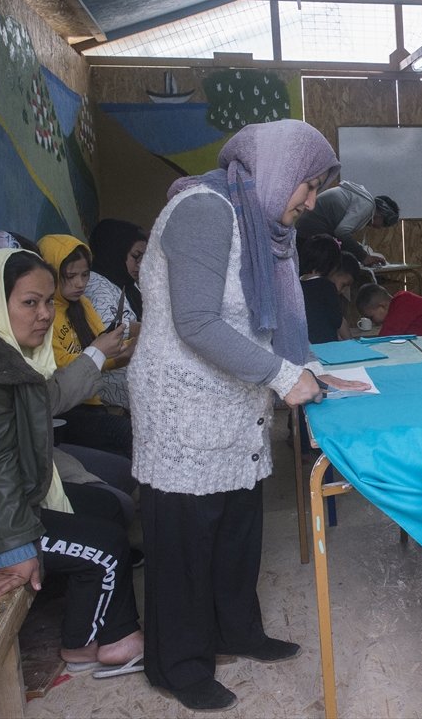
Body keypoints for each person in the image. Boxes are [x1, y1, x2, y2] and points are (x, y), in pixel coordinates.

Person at [129, 119, 368, 712]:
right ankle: (179, 665)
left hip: (236, 406)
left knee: (235, 528)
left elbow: (266, 321)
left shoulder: (262, 225)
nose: (309, 202)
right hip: (184, 409)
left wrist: (308, 366)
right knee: (185, 541)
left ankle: (237, 631)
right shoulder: (204, 211)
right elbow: (197, 322)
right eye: (308, 186)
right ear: (278, 170)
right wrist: (285, 377)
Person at [0, 249, 144, 675]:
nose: (44, 314)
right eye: (29, 302)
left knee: (104, 506)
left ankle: (101, 626)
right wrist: (14, 548)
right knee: (105, 548)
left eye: (47, 302)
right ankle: (91, 644)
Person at [38, 235, 134, 455]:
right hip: (65, 410)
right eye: (70, 276)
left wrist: (131, 347)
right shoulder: (45, 314)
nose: (80, 284)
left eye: (85, 275)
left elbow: (103, 346)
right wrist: (106, 353)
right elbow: (60, 364)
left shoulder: (83, 305)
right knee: (127, 434)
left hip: (91, 401)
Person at [86, 219, 148, 410]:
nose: (140, 265)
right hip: (114, 385)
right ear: (115, 251)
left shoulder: (128, 283)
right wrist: (149, 329)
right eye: (136, 257)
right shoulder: (96, 285)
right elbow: (109, 330)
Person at [296, 179, 399, 265]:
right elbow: (342, 232)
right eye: (384, 224)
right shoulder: (367, 205)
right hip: (309, 235)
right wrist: (364, 257)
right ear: (381, 214)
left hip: (306, 231)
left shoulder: (361, 198)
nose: (380, 228)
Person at [355, 283, 422, 337]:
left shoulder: (401, 305)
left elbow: (385, 339)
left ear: (382, 306)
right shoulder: (398, 305)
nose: (373, 322)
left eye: (371, 317)